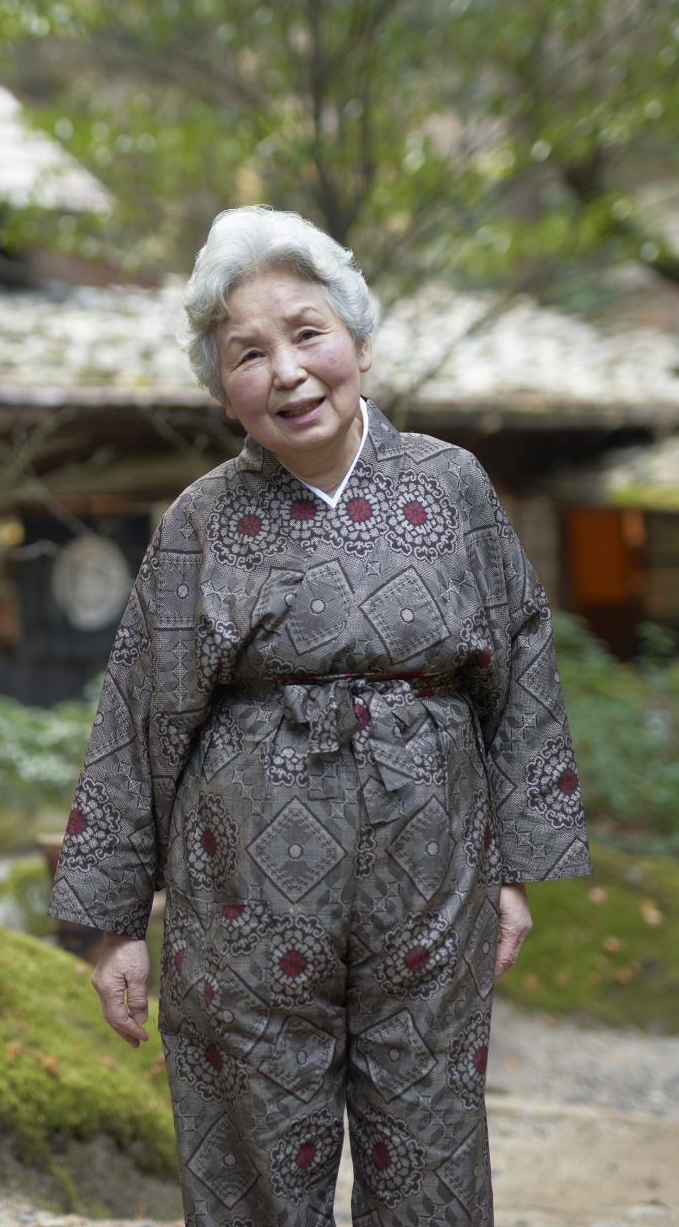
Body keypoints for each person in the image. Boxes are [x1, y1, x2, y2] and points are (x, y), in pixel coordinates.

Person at [47, 206, 592, 1226]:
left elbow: (522, 670)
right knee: (255, 1150)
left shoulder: (451, 485)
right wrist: (111, 922)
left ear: (360, 342)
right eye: (247, 353)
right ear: (225, 394)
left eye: (307, 333)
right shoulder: (203, 520)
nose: (288, 371)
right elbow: (136, 712)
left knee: (430, 1144)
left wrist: (518, 869)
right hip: (245, 890)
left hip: (434, 877)